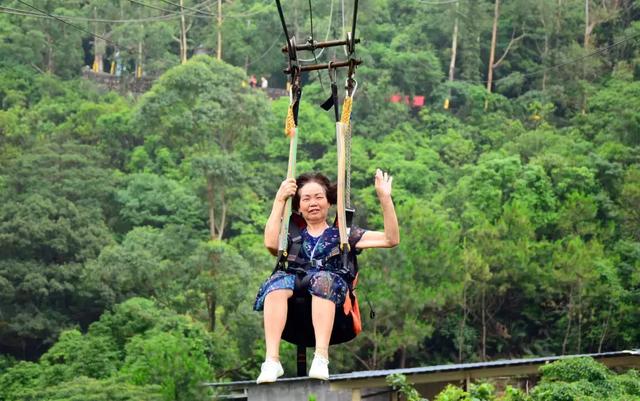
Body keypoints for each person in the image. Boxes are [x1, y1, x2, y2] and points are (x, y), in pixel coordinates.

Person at [254, 169, 399, 383]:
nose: (313, 203)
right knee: (276, 283)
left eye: (319, 197)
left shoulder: (342, 234)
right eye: (306, 198)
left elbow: (390, 239)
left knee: (323, 280)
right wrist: (279, 200)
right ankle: (272, 360)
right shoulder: (293, 236)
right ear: (299, 206)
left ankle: (321, 357)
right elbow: (271, 244)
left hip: (332, 299)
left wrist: (385, 198)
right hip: (296, 301)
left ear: (329, 202)